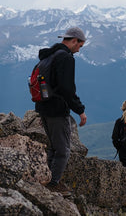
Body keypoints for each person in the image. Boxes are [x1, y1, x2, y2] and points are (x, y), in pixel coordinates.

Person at [36, 27, 88, 195]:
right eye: (80, 46)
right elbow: (67, 89)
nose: (79, 50)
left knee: (53, 147)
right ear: (74, 41)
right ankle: (53, 183)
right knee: (63, 150)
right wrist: (80, 110)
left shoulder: (48, 55)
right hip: (57, 109)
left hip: (43, 107)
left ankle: (45, 178)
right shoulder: (65, 57)